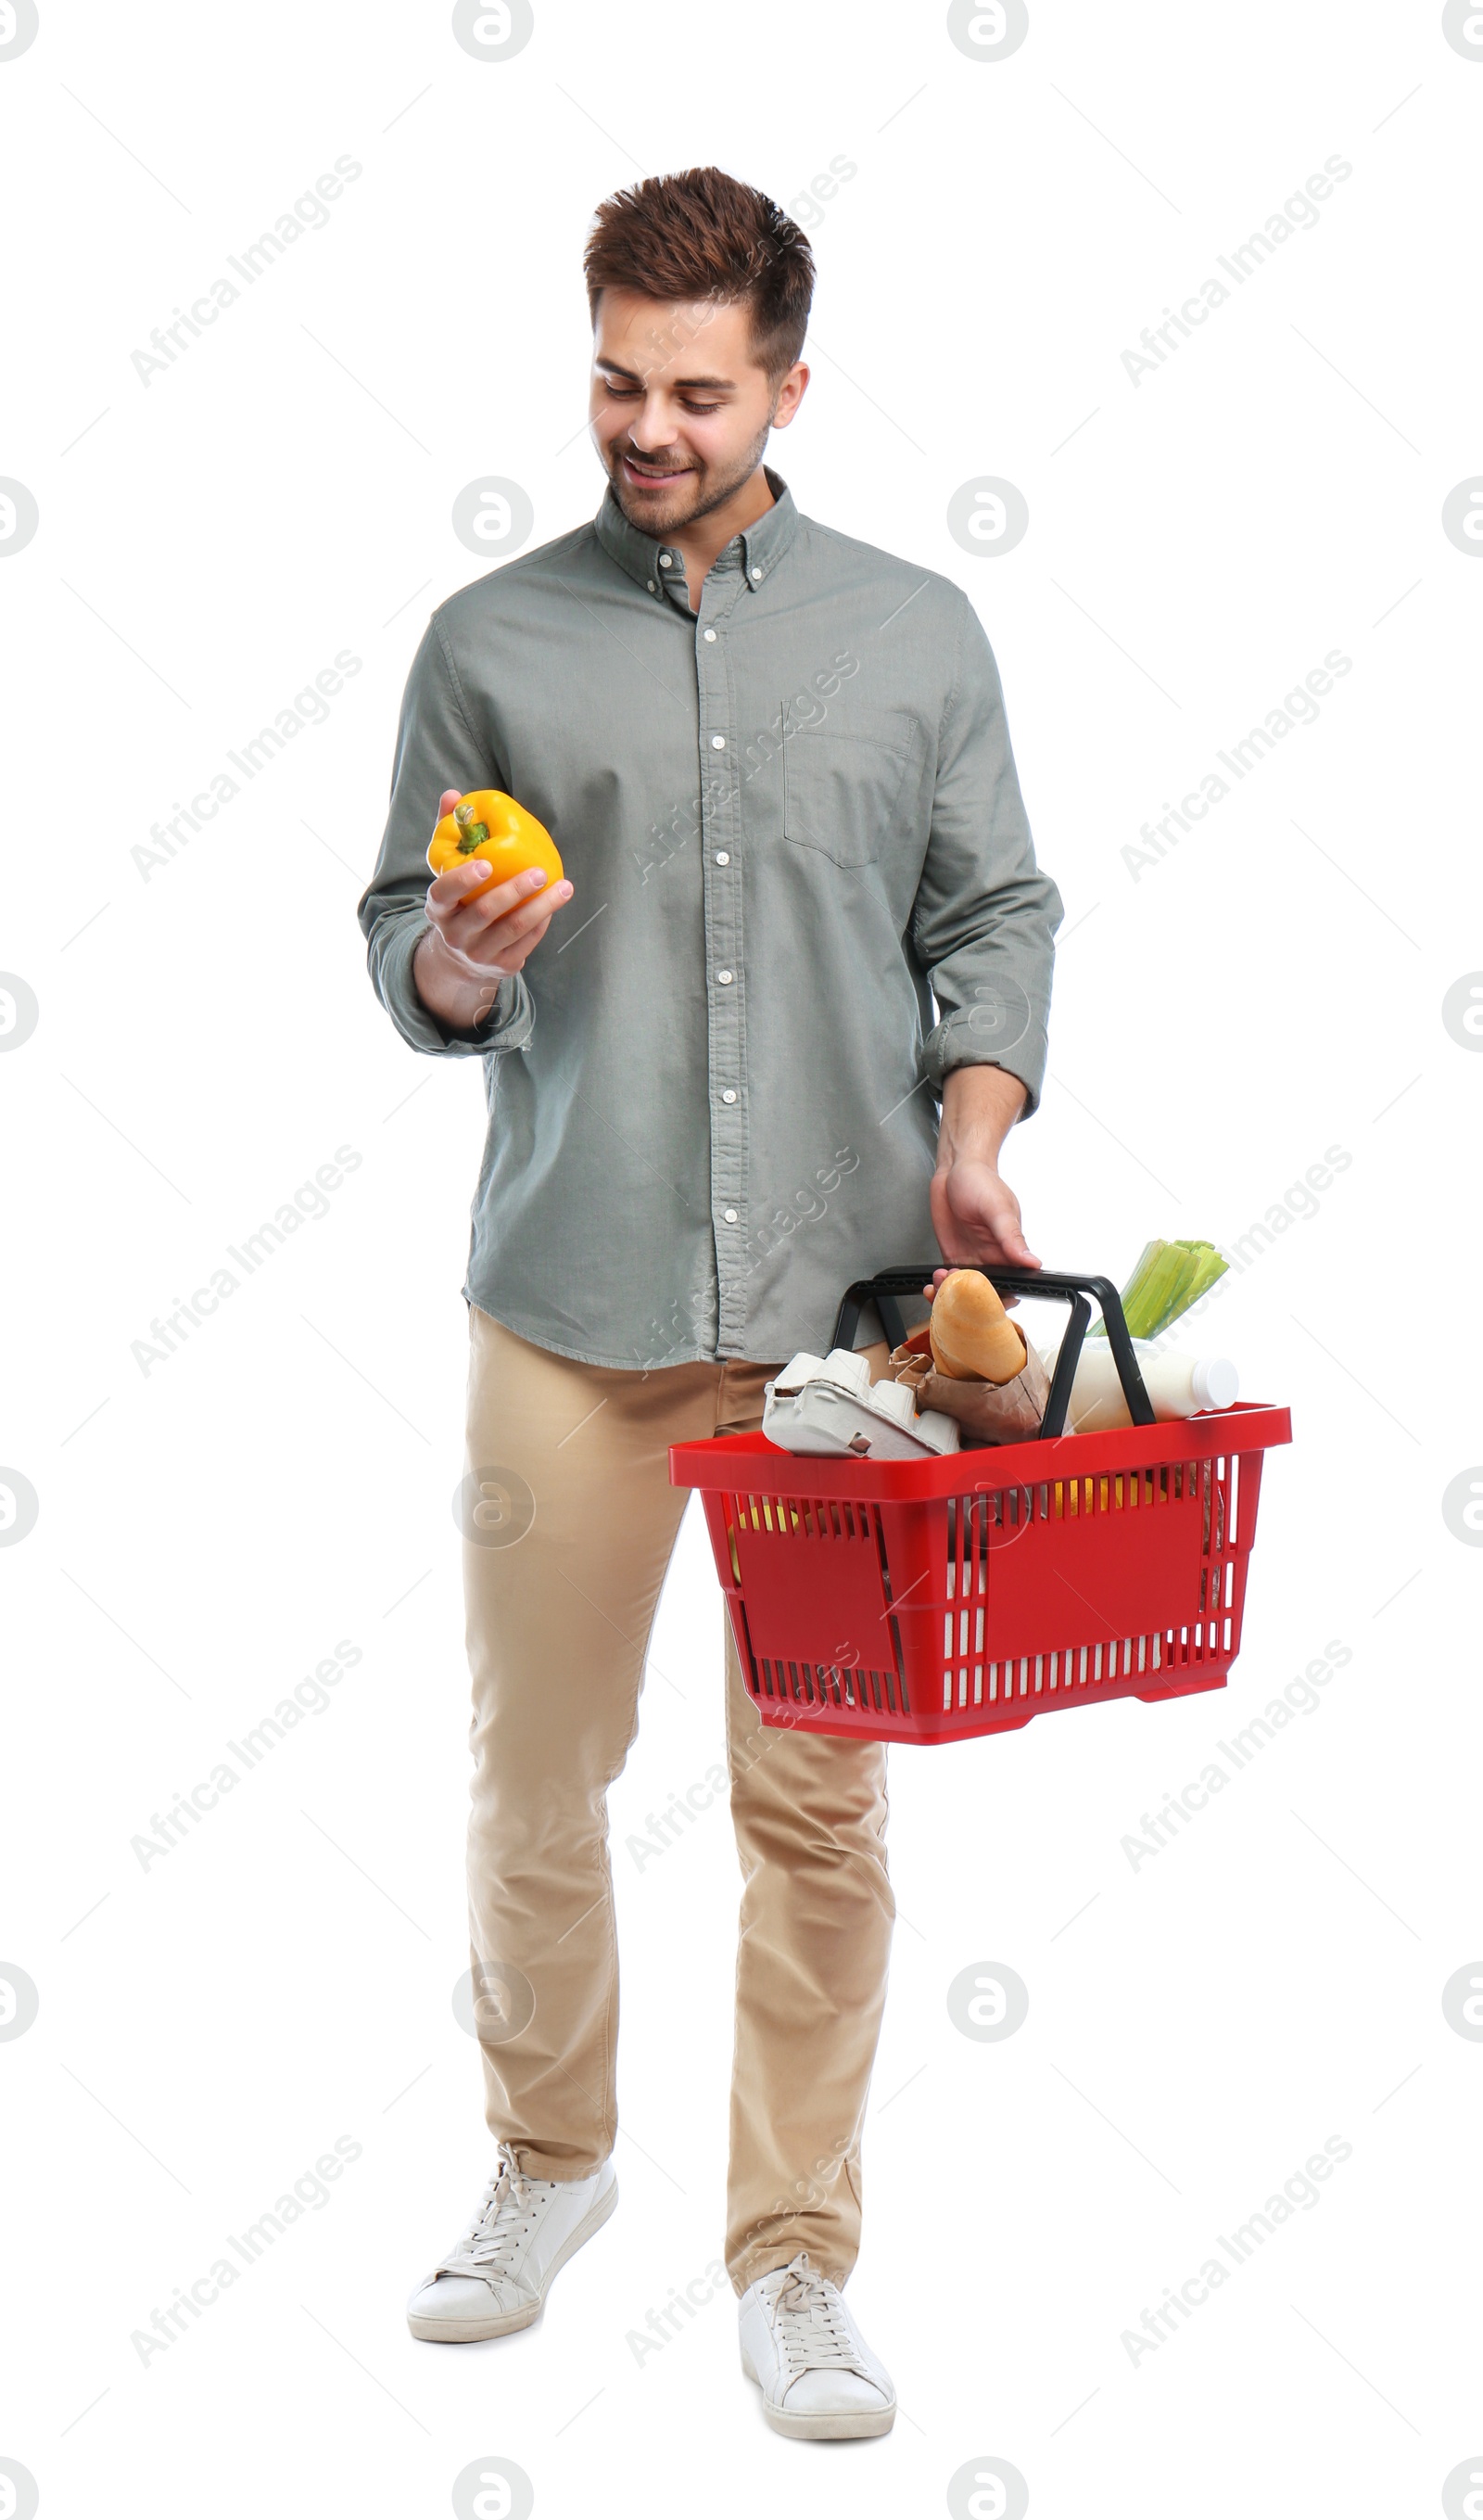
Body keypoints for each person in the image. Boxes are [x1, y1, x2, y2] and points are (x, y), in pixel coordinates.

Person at [357, 163, 1061, 2443]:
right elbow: (401, 932)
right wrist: (447, 968)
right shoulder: (487, 640)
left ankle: (791, 2256)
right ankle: (546, 2168)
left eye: (690, 388)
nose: (641, 424)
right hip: (563, 1306)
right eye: (609, 376)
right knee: (533, 1785)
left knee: (816, 1813)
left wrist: (971, 1129)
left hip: (841, 1339)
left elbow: (995, 911)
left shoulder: (915, 633)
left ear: (782, 383)